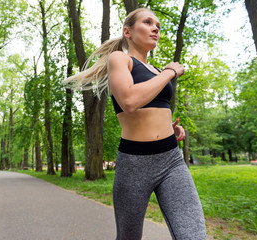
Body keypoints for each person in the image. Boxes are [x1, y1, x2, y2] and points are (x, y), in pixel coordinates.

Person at [64, 7, 206, 240]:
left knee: (193, 235)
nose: (155, 29)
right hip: (134, 163)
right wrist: (170, 72)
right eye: (148, 23)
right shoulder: (120, 59)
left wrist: (168, 128)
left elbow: (152, 107)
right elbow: (129, 101)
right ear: (127, 32)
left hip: (171, 159)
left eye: (158, 27)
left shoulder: (155, 70)